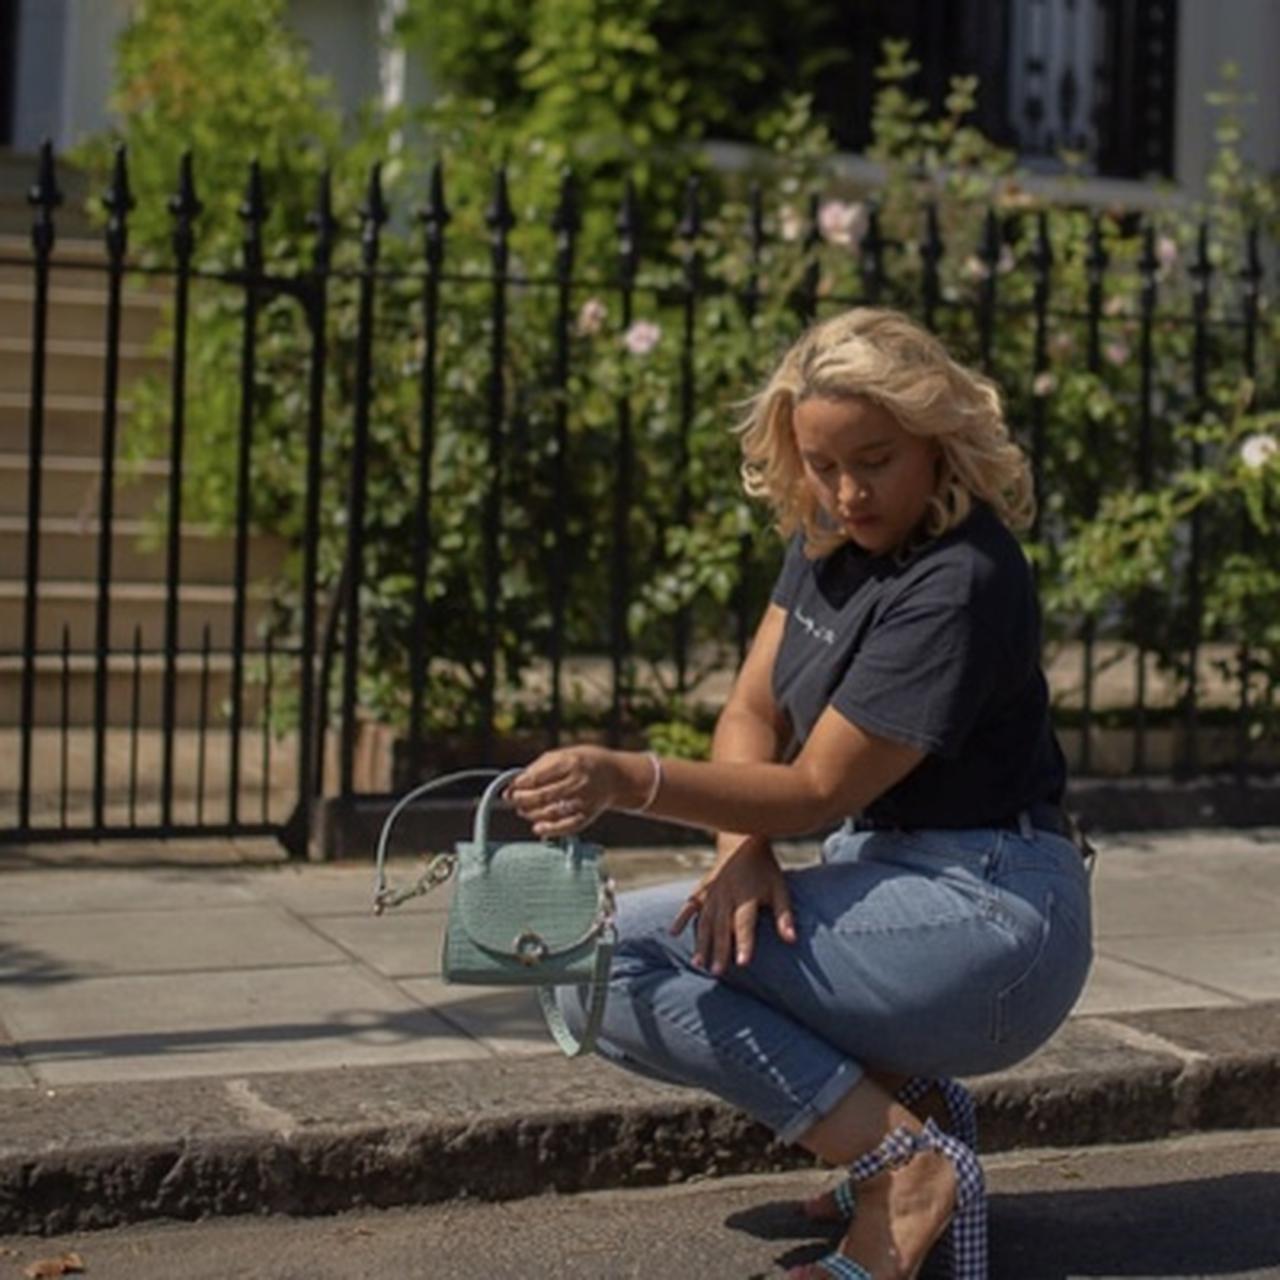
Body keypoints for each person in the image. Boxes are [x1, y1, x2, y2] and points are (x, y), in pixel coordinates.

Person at [507, 307, 1093, 1280]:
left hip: (991, 914)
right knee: (614, 956)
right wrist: (740, 849)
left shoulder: (962, 577)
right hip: (889, 878)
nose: (845, 490)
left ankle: (901, 1167)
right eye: (820, 464)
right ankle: (908, 1106)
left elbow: (815, 786)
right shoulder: (825, 539)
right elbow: (748, 710)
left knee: (593, 961)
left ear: (934, 440)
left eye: (873, 459)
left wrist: (625, 776)